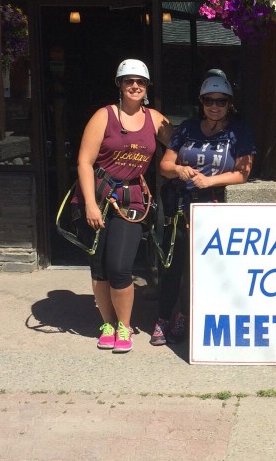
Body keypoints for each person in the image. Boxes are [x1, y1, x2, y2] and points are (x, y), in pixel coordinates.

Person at [151, 73, 256, 346]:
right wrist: (179, 169)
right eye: (209, 100)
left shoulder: (238, 131)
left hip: (214, 206)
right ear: (201, 101)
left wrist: (210, 180)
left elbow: (242, 173)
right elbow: (165, 165)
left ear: (229, 104)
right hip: (181, 204)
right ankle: (163, 317)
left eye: (221, 101)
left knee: (202, 267)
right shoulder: (186, 128)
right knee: (173, 264)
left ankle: (185, 316)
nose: (215, 106)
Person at [76, 59, 172, 352]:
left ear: (146, 87)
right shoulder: (104, 116)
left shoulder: (155, 118)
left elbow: (181, 146)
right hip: (99, 196)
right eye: (129, 81)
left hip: (131, 199)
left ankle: (124, 326)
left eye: (140, 82)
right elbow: (84, 161)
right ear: (119, 84)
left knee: (120, 267)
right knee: (100, 268)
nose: (135, 86)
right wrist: (91, 205)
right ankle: (107, 322)